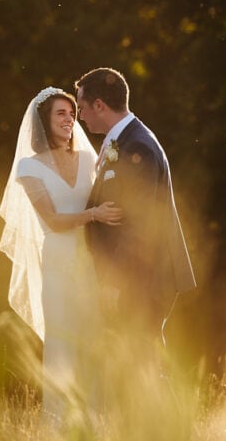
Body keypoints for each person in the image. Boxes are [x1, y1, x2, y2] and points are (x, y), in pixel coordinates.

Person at [0, 86, 123, 417]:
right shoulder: (29, 167)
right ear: (44, 121)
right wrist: (93, 215)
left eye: (72, 113)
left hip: (88, 260)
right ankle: (57, 428)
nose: (69, 119)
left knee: (92, 340)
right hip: (56, 261)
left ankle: (94, 423)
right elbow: (52, 219)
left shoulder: (89, 159)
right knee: (62, 345)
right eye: (60, 113)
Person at [75, 67, 196, 345]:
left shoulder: (137, 147)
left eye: (82, 108)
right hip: (137, 275)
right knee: (138, 365)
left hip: (142, 277)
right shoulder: (123, 140)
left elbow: (140, 223)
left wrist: (116, 281)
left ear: (99, 105)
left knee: (143, 362)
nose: (80, 117)